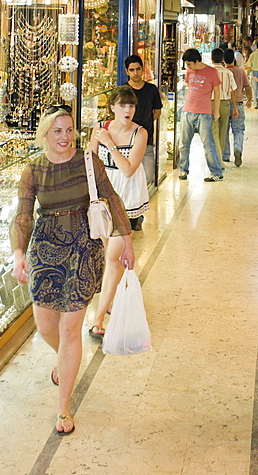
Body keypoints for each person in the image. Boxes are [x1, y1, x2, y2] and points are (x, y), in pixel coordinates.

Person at [11, 104, 134, 437]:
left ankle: (63, 406)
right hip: (46, 250)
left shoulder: (88, 162)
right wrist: (18, 252)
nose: (65, 137)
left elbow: (112, 199)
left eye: (69, 130)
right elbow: (23, 215)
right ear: (45, 134)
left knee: (70, 329)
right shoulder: (34, 170)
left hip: (83, 247)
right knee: (46, 325)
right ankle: (64, 358)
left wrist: (127, 240)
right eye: (57, 131)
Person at [88, 87, 148, 334]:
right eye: (123, 105)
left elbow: (128, 169)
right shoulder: (100, 128)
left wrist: (110, 144)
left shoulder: (140, 133)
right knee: (107, 253)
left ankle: (97, 320)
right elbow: (90, 161)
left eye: (131, 106)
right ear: (112, 107)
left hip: (126, 198)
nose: (128, 110)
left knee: (113, 259)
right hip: (102, 197)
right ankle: (113, 298)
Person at [177, 48, 224, 182]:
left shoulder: (212, 72)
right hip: (187, 111)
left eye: (189, 64)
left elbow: (217, 93)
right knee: (184, 143)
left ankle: (216, 172)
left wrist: (216, 111)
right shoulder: (189, 71)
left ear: (197, 61)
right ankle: (183, 169)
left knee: (208, 144)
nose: (188, 67)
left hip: (204, 113)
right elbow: (189, 87)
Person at [124, 54, 163, 216]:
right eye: (132, 70)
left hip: (146, 140)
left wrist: (144, 126)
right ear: (127, 71)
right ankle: (132, 213)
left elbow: (157, 112)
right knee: (128, 177)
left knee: (147, 177)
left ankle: (137, 208)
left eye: (138, 69)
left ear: (142, 69)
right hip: (126, 142)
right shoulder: (123, 91)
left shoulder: (151, 89)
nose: (135, 73)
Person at [223, 49, 252, 166]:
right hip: (238, 104)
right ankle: (238, 148)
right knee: (238, 130)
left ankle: (225, 155)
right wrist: (250, 100)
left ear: (224, 60)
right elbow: (248, 87)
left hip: (224, 104)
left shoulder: (223, 72)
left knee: (224, 130)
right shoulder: (241, 72)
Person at [210, 48, 239, 165]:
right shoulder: (228, 73)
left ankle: (217, 160)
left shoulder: (209, 72)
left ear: (211, 59)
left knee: (213, 132)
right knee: (223, 132)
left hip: (211, 104)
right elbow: (233, 91)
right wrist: (235, 108)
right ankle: (219, 157)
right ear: (222, 59)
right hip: (225, 104)